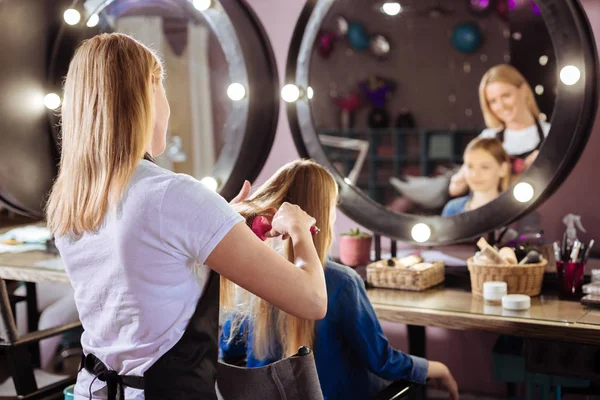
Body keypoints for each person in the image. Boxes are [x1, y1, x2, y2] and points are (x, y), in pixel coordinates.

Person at [45, 33, 328, 400]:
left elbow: (153, 270)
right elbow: (312, 300)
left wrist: (221, 221)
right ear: (146, 94)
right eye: (160, 86)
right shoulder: (171, 195)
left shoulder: (73, 197)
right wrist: (299, 228)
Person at [219, 159, 459, 400]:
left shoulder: (251, 277)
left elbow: (229, 352)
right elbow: (382, 360)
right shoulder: (342, 283)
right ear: (320, 216)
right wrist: (434, 369)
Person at [449, 64, 550, 197]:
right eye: (493, 101)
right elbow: (454, 189)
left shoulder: (551, 134)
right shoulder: (487, 138)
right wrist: (464, 175)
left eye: (506, 96)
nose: (501, 106)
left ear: (523, 90)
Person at [442, 138, 510, 216]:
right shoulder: (453, 209)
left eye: (485, 167)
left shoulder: (513, 209)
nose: (475, 174)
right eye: (470, 166)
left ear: (503, 169)